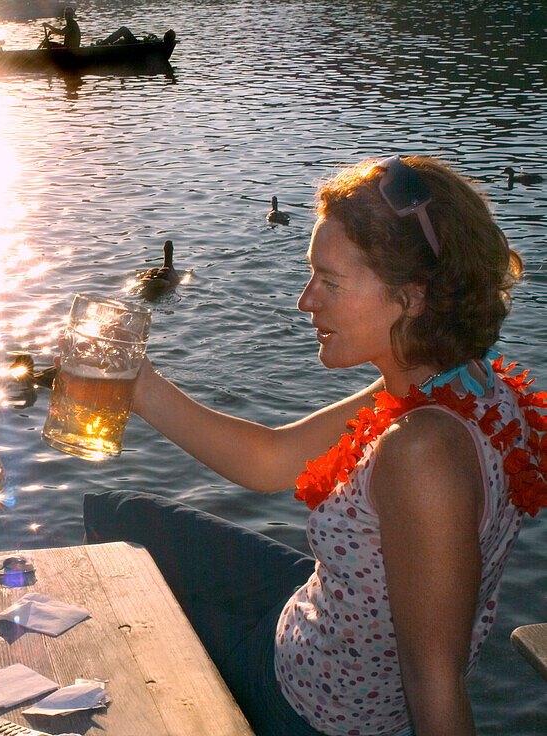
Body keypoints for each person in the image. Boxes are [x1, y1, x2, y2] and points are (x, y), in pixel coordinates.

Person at [82, 156, 546, 735]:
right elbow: (272, 459)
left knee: (118, 589)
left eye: (329, 281)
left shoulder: (424, 453)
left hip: (313, 708)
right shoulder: (455, 383)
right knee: (122, 518)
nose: (306, 301)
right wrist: (140, 386)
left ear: (413, 296)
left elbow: (435, 684)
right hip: (323, 617)